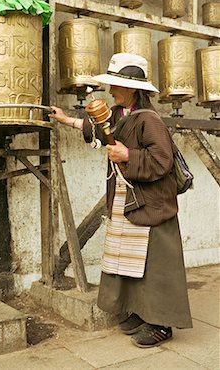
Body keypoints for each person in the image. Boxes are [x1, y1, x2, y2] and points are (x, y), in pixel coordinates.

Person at [49, 52, 192, 348]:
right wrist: (66, 120)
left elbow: (162, 160)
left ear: (132, 89)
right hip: (129, 199)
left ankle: (162, 324)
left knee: (154, 265)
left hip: (152, 203)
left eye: (116, 85)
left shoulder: (149, 120)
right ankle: (141, 312)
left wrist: (128, 155)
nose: (111, 90)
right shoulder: (119, 114)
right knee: (129, 261)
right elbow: (99, 129)